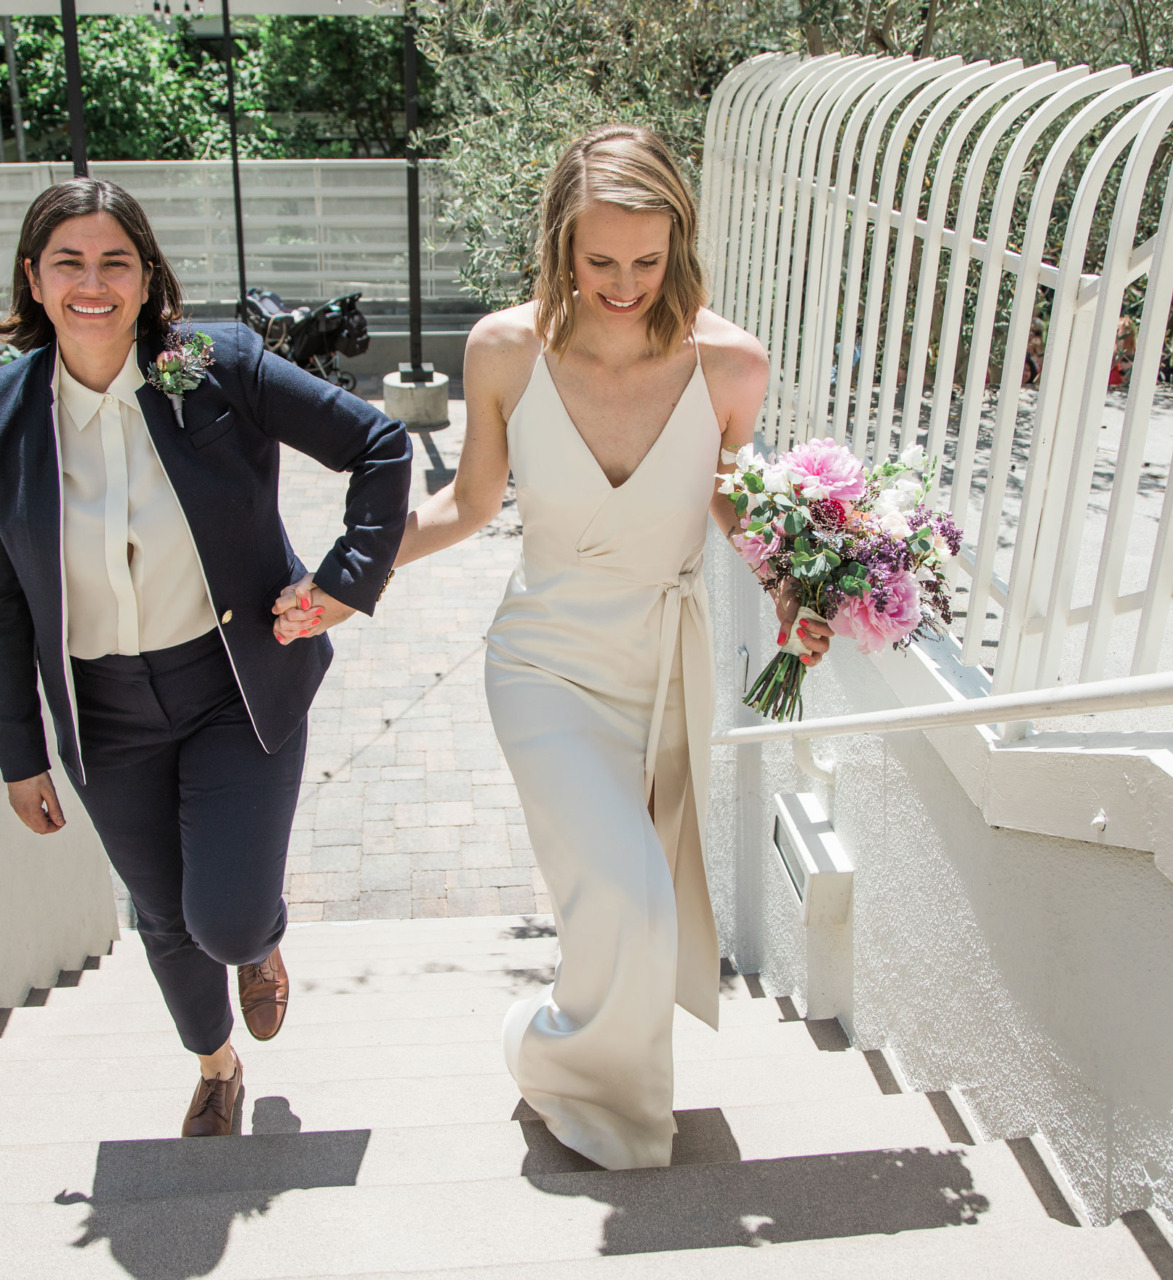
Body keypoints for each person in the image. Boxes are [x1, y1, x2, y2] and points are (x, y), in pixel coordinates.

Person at [275, 125, 834, 1170]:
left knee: (635, 902)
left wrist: (804, 594)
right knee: (626, 890)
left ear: (681, 245)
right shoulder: (502, 350)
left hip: (663, 667)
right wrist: (350, 581)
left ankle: (555, 1050)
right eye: (599, 260)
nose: (623, 284)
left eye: (648, 261)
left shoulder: (732, 364)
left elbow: (738, 512)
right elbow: (466, 503)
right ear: (560, 244)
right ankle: (595, 1099)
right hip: (541, 664)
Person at [0, 178, 411, 1139]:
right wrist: (19, 753)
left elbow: (377, 443)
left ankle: (259, 940)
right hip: (102, 712)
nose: (93, 282)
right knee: (161, 916)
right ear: (33, 280)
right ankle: (215, 1067)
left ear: (147, 274)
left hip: (231, 687)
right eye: (68, 262)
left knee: (227, 919)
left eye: (115, 260)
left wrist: (345, 580)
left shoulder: (211, 363)